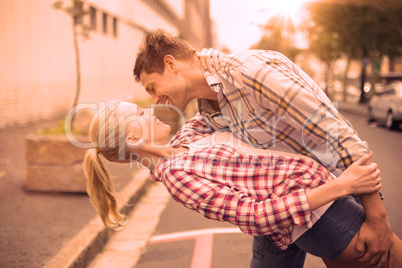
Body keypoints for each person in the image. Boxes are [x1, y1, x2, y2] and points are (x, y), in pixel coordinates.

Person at [132, 29, 396, 267]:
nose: (154, 100)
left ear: (170, 64)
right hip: (292, 208)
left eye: (152, 88)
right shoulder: (209, 107)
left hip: (328, 197)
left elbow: (336, 133)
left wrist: (377, 217)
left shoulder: (249, 72)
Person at [82, 101, 402, 268]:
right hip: (322, 212)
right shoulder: (177, 176)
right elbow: (256, 216)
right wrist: (343, 185)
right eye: (141, 112)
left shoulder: (185, 139)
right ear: (134, 137)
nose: (152, 110)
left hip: (324, 198)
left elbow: (214, 103)